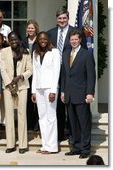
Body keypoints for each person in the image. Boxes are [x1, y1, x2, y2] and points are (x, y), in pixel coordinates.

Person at [47, 7, 87, 142]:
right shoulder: (50, 33)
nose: (62, 20)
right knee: (57, 105)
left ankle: (72, 135)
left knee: (72, 107)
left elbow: (84, 54)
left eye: (64, 18)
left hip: (71, 75)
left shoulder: (76, 33)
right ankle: (58, 135)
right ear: (56, 19)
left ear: (68, 18)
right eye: (59, 18)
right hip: (54, 74)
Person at [61, 30, 95, 159]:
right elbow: (64, 75)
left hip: (81, 95)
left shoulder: (86, 55)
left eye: (76, 39)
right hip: (69, 95)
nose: (73, 41)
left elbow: (91, 76)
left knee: (83, 123)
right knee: (72, 123)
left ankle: (85, 149)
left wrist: (90, 93)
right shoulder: (65, 54)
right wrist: (63, 91)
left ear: (80, 40)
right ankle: (75, 147)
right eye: (71, 39)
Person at [0, 31, 32, 154]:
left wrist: (21, 76)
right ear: (8, 40)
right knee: (9, 115)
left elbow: (30, 69)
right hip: (8, 87)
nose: (13, 42)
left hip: (22, 87)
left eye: (15, 39)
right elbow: (3, 70)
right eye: (11, 40)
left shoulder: (25, 52)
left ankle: (23, 144)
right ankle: (10, 144)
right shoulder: (4, 52)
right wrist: (10, 86)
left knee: (22, 115)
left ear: (19, 39)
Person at [31, 31, 61, 154]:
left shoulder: (54, 52)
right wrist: (33, 91)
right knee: (42, 117)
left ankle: (52, 146)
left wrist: (53, 90)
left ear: (48, 39)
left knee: (51, 117)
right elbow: (35, 73)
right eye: (40, 39)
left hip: (50, 88)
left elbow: (56, 72)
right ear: (38, 40)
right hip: (39, 88)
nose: (42, 40)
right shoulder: (35, 53)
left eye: (44, 38)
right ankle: (45, 145)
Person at [22, 20, 40, 133]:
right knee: (28, 101)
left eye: (32, 28)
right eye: (29, 28)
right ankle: (29, 123)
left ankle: (37, 124)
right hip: (26, 74)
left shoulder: (40, 40)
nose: (30, 30)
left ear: (36, 29)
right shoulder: (23, 41)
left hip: (38, 73)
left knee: (38, 100)